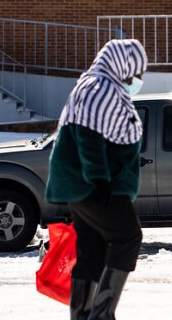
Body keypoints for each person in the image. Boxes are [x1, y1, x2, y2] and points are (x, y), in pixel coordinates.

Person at [45, 39, 148, 320]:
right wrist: (99, 179)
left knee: (93, 249)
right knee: (128, 236)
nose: (137, 80)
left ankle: (82, 315)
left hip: (85, 186)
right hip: (92, 186)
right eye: (134, 73)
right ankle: (101, 315)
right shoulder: (100, 88)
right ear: (122, 66)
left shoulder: (99, 86)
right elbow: (87, 134)